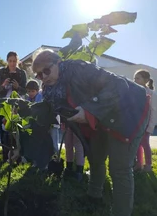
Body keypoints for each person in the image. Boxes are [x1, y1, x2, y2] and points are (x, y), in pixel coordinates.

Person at [11, 49, 150, 216]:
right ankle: (94, 197)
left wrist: (89, 110)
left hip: (128, 111)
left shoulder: (79, 69)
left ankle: (121, 212)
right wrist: (20, 146)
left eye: (46, 71)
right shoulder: (49, 91)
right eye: (39, 75)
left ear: (58, 63)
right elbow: (41, 119)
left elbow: (118, 86)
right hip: (100, 119)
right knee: (95, 157)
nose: (44, 77)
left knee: (119, 168)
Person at [0, 51, 27, 161]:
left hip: (17, 105)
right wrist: (3, 85)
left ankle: (17, 156)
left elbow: (25, 91)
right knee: (4, 131)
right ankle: (5, 156)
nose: (12, 63)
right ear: (7, 61)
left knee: (17, 131)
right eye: (10, 61)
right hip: (4, 105)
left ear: (18, 61)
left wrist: (17, 87)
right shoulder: (2, 72)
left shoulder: (22, 73)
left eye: (15, 61)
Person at [133, 69, 157, 172]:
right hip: (136, 123)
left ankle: (148, 165)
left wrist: (150, 126)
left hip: (146, 124)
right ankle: (139, 163)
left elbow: (154, 111)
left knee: (145, 144)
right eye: (134, 78)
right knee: (136, 143)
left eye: (137, 78)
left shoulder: (151, 94)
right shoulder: (134, 91)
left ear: (146, 80)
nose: (135, 80)